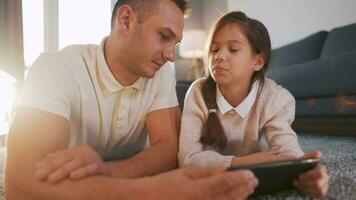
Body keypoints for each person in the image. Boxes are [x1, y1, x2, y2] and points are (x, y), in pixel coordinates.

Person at [5, 1, 260, 199]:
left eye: (176, 43)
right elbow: (19, 183)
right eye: (164, 36)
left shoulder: (160, 76)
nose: (172, 55)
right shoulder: (55, 68)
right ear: (126, 20)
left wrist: (107, 171)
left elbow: (169, 148)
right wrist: (148, 192)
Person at [178, 11, 329, 198]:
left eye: (233, 49)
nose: (219, 56)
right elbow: (187, 159)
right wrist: (246, 161)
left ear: (257, 61)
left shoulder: (276, 98)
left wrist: (307, 170)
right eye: (214, 49)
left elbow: (286, 149)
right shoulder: (198, 92)